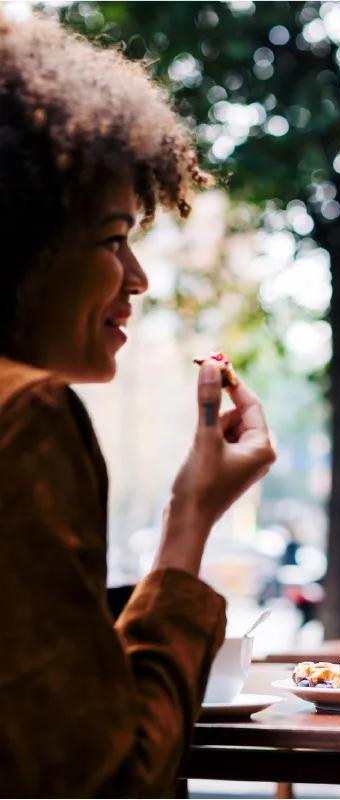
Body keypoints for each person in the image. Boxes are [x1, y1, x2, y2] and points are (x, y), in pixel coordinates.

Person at [0, 14, 276, 795]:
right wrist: (190, 526)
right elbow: (111, 779)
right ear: (22, 243)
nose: (137, 277)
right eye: (112, 238)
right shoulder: (26, 419)